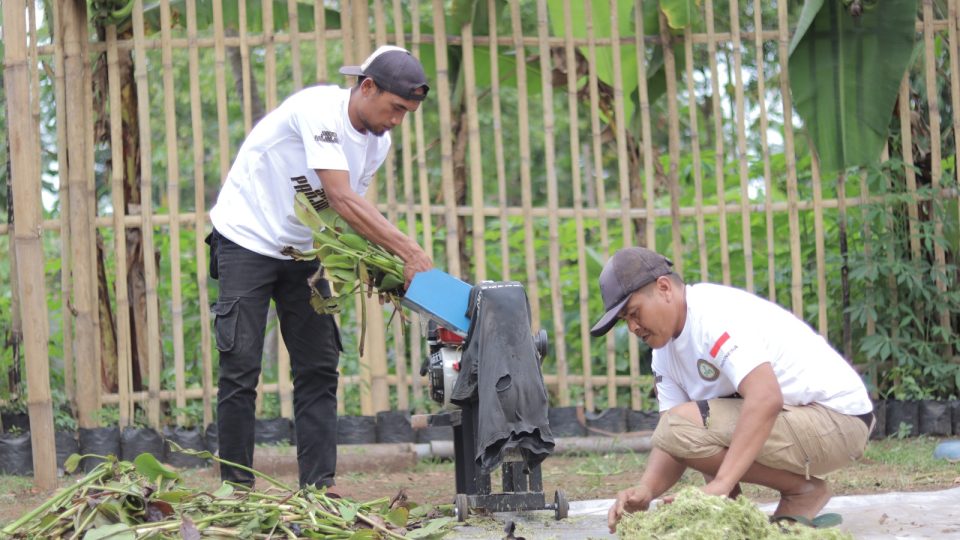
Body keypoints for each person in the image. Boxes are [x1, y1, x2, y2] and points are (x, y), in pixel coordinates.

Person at [207, 45, 433, 491]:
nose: (397, 121)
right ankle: (235, 491)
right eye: (395, 108)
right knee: (241, 367)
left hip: (305, 253)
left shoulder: (377, 143)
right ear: (367, 87)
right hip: (246, 237)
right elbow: (340, 198)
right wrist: (409, 251)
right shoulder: (318, 109)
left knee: (319, 367)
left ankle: (319, 488)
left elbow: (341, 219)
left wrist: (370, 264)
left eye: (407, 113)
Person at [594, 247, 874, 533]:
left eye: (634, 313)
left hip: (839, 421)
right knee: (687, 424)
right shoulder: (663, 351)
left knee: (689, 420)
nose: (632, 327)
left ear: (664, 288)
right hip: (800, 423)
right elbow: (676, 438)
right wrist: (645, 490)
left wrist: (720, 484)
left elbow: (766, 398)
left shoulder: (711, 315)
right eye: (625, 321)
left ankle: (802, 491)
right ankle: (733, 515)